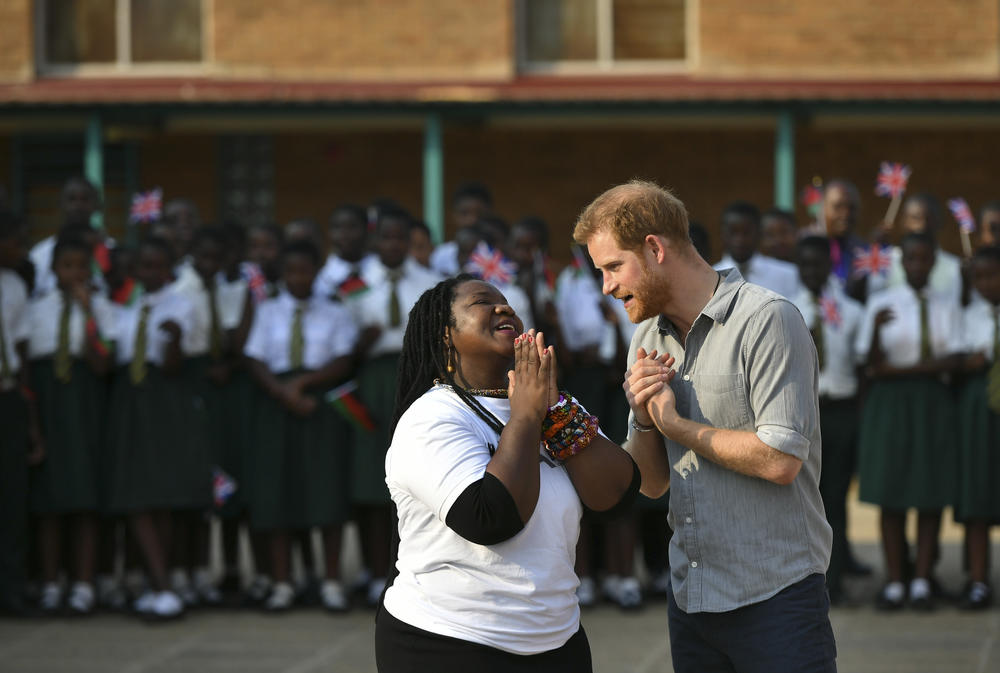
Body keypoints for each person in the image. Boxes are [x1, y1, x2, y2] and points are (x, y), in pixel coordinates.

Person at [576, 180, 835, 672]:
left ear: (654, 248)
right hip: (691, 598)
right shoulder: (646, 338)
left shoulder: (768, 319)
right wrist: (644, 419)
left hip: (777, 598)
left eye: (612, 267)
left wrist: (675, 426)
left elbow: (781, 460)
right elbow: (652, 485)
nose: (607, 287)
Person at [375, 275, 639, 672]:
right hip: (450, 644)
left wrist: (554, 413)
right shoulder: (432, 417)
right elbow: (489, 518)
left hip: (557, 642)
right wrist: (528, 415)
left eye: (508, 304)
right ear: (445, 336)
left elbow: (616, 496)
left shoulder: (551, 404)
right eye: (482, 302)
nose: (505, 308)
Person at [244, 239, 358, 613]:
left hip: (319, 405)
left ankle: (330, 582)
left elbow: (344, 358)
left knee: (325, 491)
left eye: (305, 270)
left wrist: (303, 386)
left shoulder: (334, 311)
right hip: (277, 407)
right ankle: (282, 583)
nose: (298, 278)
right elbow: (256, 359)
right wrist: (284, 393)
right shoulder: (269, 310)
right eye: (291, 271)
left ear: (316, 271)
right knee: (279, 493)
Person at [855, 231, 963, 611]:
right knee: (892, 493)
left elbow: (956, 360)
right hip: (892, 406)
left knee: (930, 494)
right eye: (911, 259)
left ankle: (921, 581)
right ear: (902, 263)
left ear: (934, 263)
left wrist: (900, 369)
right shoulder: (883, 303)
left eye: (924, 259)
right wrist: (878, 347)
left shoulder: (948, 305)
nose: (917, 266)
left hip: (933, 403)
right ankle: (896, 581)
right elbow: (870, 364)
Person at [104, 236, 210, 620]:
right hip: (129, 400)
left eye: (157, 266)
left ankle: (163, 585)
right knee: (136, 494)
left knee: (162, 495)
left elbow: (176, 367)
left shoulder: (182, 305)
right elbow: (109, 354)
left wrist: (176, 341)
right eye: (143, 266)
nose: (150, 272)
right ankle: (157, 583)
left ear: (169, 268)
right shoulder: (121, 305)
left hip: (164, 402)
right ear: (134, 269)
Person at [346, 206, 442, 606]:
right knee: (370, 480)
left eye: (401, 238)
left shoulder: (430, 282)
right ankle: (371, 570)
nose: (393, 245)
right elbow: (340, 343)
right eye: (385, 237)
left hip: (413, 379)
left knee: (414, 476)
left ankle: (406, 567)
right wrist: (362, 344)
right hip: (370, 379)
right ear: (375, 240)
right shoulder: (354, 285)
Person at [27, 235, 113, 615]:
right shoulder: (36, 310)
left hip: (84, 407)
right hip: (49, 406)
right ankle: (50, 583)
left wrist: (89, 314)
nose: (75, 273)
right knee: (49, 504)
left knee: (84, 502)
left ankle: (83, 584)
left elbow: (103, 365)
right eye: (67, 266)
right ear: (54, 270)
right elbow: (27, 366)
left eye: (83, 266)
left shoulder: (100, 309)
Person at [791, 236, 865, 605]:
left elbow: (861, 361)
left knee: (835, 497)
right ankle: (804, 580)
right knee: (803, 498)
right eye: (805, 265)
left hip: (839, 410)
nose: (813, 271)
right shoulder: (783, 310)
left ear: (830, 265)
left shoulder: (849, 310)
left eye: (819, 263)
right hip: (802, 412)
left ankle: (833, 581)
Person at [0, 209, 43, 616]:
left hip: (8, 396)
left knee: (12, 499)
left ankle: (11, 590)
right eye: (16, 240)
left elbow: (22, 349)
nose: (23, 249)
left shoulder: (14, 284)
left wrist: (30, 420)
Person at [955, 245, 1000, 609]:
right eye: (979, 277)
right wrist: (968, 362)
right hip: (978, 409)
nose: (986, 284)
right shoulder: (967, 315)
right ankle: (978, 580)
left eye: (993, 275)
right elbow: (953, 358)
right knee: (978, 494)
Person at [713, 201, 801, 299]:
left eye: (746, 232)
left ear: (759, 233)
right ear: (722, 234)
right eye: (733, 232)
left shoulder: (788, 274)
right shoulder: (711, 277)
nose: (739, 240)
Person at [314, 204, 376, 301]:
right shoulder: (322, 276)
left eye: (352, 227)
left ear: (366, 230)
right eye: (337, 227)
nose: (344, 234)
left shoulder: (380, 267)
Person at [430, 182, 493, 276]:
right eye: (464, 213)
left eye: (479, 214)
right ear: (454, 215)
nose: (472, 220)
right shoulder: (441, 254)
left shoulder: (495, 255)